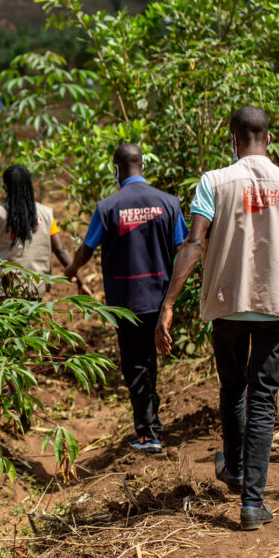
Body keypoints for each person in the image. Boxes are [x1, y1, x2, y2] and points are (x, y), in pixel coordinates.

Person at [155, 106, 279, 532]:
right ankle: (252, 503)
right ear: (270, 138)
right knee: (263, 399)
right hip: (275, 307)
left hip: (227, 304)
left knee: (233, 387)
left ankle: (237, 469)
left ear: (233, 139)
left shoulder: (214, 182)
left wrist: (168, 304)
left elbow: (193, 243)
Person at [63, 144, 188, 454]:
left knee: (136, 366)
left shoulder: (107, 207)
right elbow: (183, 250)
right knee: (149, 362)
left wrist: (71, 268)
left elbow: (86, 250)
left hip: (125, 301)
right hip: (160, 300)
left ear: (115, 169)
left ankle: (147, 434)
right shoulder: (169, 203)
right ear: (142, 166)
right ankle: (151, 426)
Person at [0, 164, 91, 299]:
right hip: (34, 288)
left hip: (3, 288)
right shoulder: (46, 214)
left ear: (5, 188)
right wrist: (81, 283)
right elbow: (60, 250)